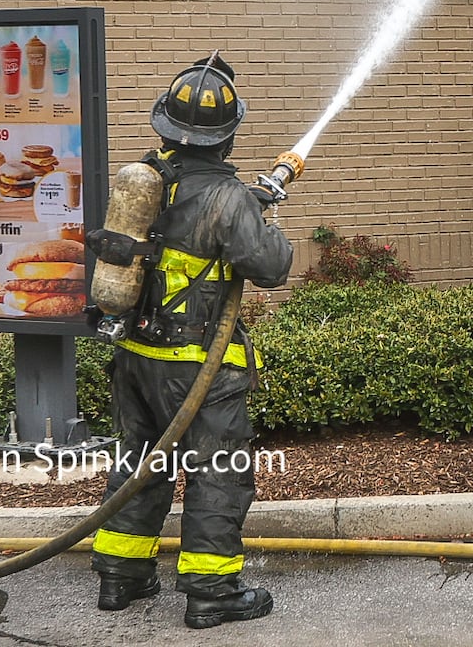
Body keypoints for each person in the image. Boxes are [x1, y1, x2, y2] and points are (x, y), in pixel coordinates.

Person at [89, 54, 295, 630]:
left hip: (135, 357)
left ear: (166, 127)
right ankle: (212, 593)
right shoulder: (228, 199)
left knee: (139, 461)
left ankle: (121, 577)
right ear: (227, 136)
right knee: (219, 471)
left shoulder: (146, 182)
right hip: (200, 366)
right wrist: (263, 218)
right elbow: (272, 266)